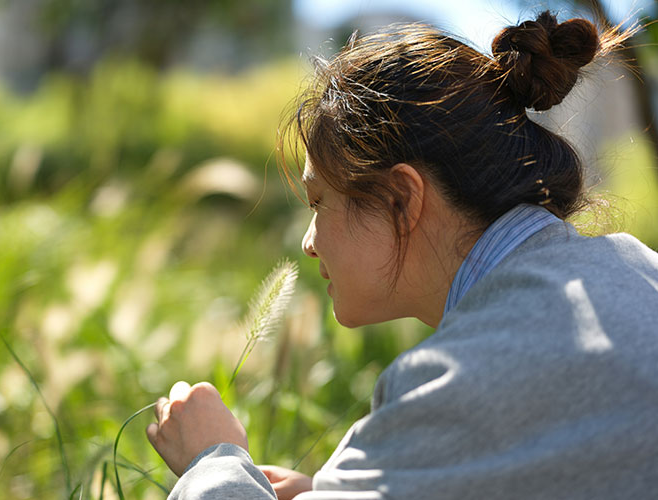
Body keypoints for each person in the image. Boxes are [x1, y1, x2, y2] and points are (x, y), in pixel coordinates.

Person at [145, 11, 658, 499]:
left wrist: (213, 459)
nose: (308, 241)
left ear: (402, 198)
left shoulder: (456, 382)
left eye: (320, 202)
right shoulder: (635, 271)